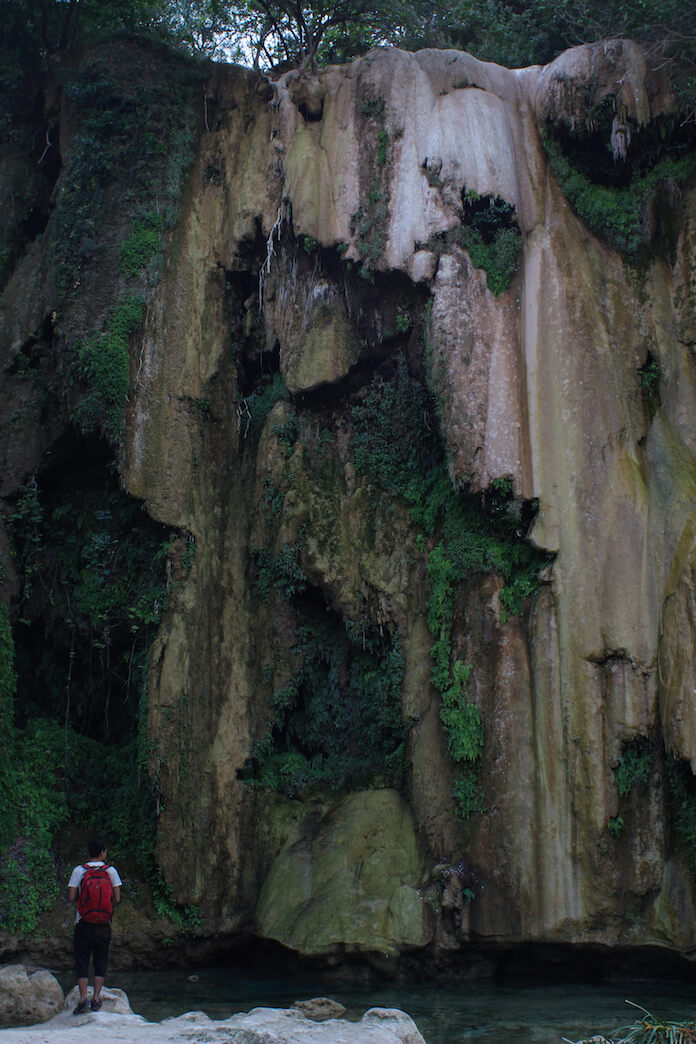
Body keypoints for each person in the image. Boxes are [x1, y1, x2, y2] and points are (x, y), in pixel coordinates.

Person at [67, 835, 122, 1015]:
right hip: (103, 924)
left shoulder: (79, 871)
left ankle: (83, 1000)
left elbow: (71, 897)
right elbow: (117, 898)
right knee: (101, 960)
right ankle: (96, 999)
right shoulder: (111, 871)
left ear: (89, 852)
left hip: (83, 922)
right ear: (102, 852)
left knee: (82, 960)